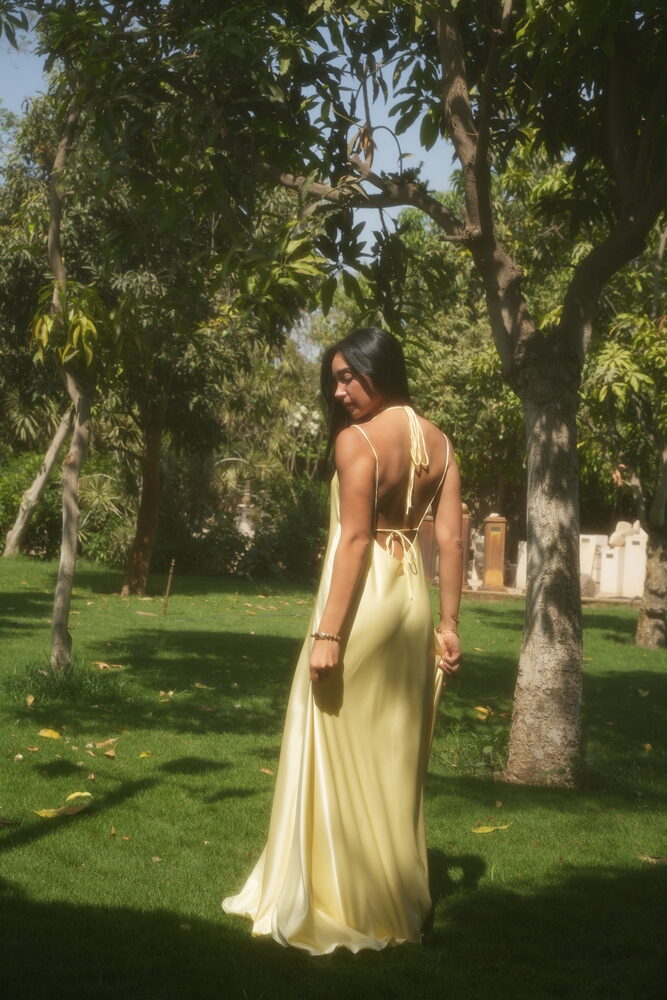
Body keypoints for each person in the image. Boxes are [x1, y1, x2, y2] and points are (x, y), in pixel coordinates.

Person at [222, 327, 463, 954]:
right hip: (412, 603)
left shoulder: (357, 441)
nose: (339, 390)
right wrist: (449, 625)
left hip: (365, 605)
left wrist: (327, 634)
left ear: (381, 371)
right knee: (391, 752)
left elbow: (354, 539)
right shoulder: (440, 443)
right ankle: (392, 898)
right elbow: (449, 538)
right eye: (335, 379)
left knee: (331, 740)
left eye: (349, 376)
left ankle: (340, 898)